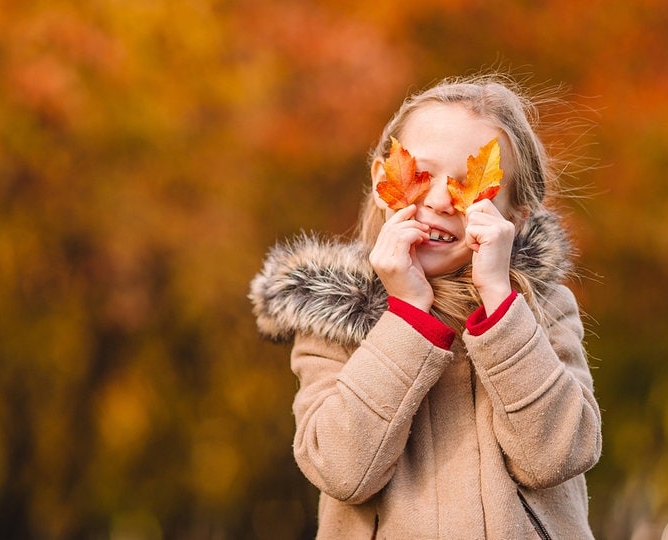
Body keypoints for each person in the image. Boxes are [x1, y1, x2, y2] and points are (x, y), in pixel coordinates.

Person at [249, 74, 602, 539]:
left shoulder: (541, 307)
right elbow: (340, 470)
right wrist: (408, 316)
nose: (438, 200)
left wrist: (499, 301)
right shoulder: (331, 320)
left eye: (468, 186)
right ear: (382, 180)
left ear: (515, 215)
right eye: (421, 174)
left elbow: (561, 453)